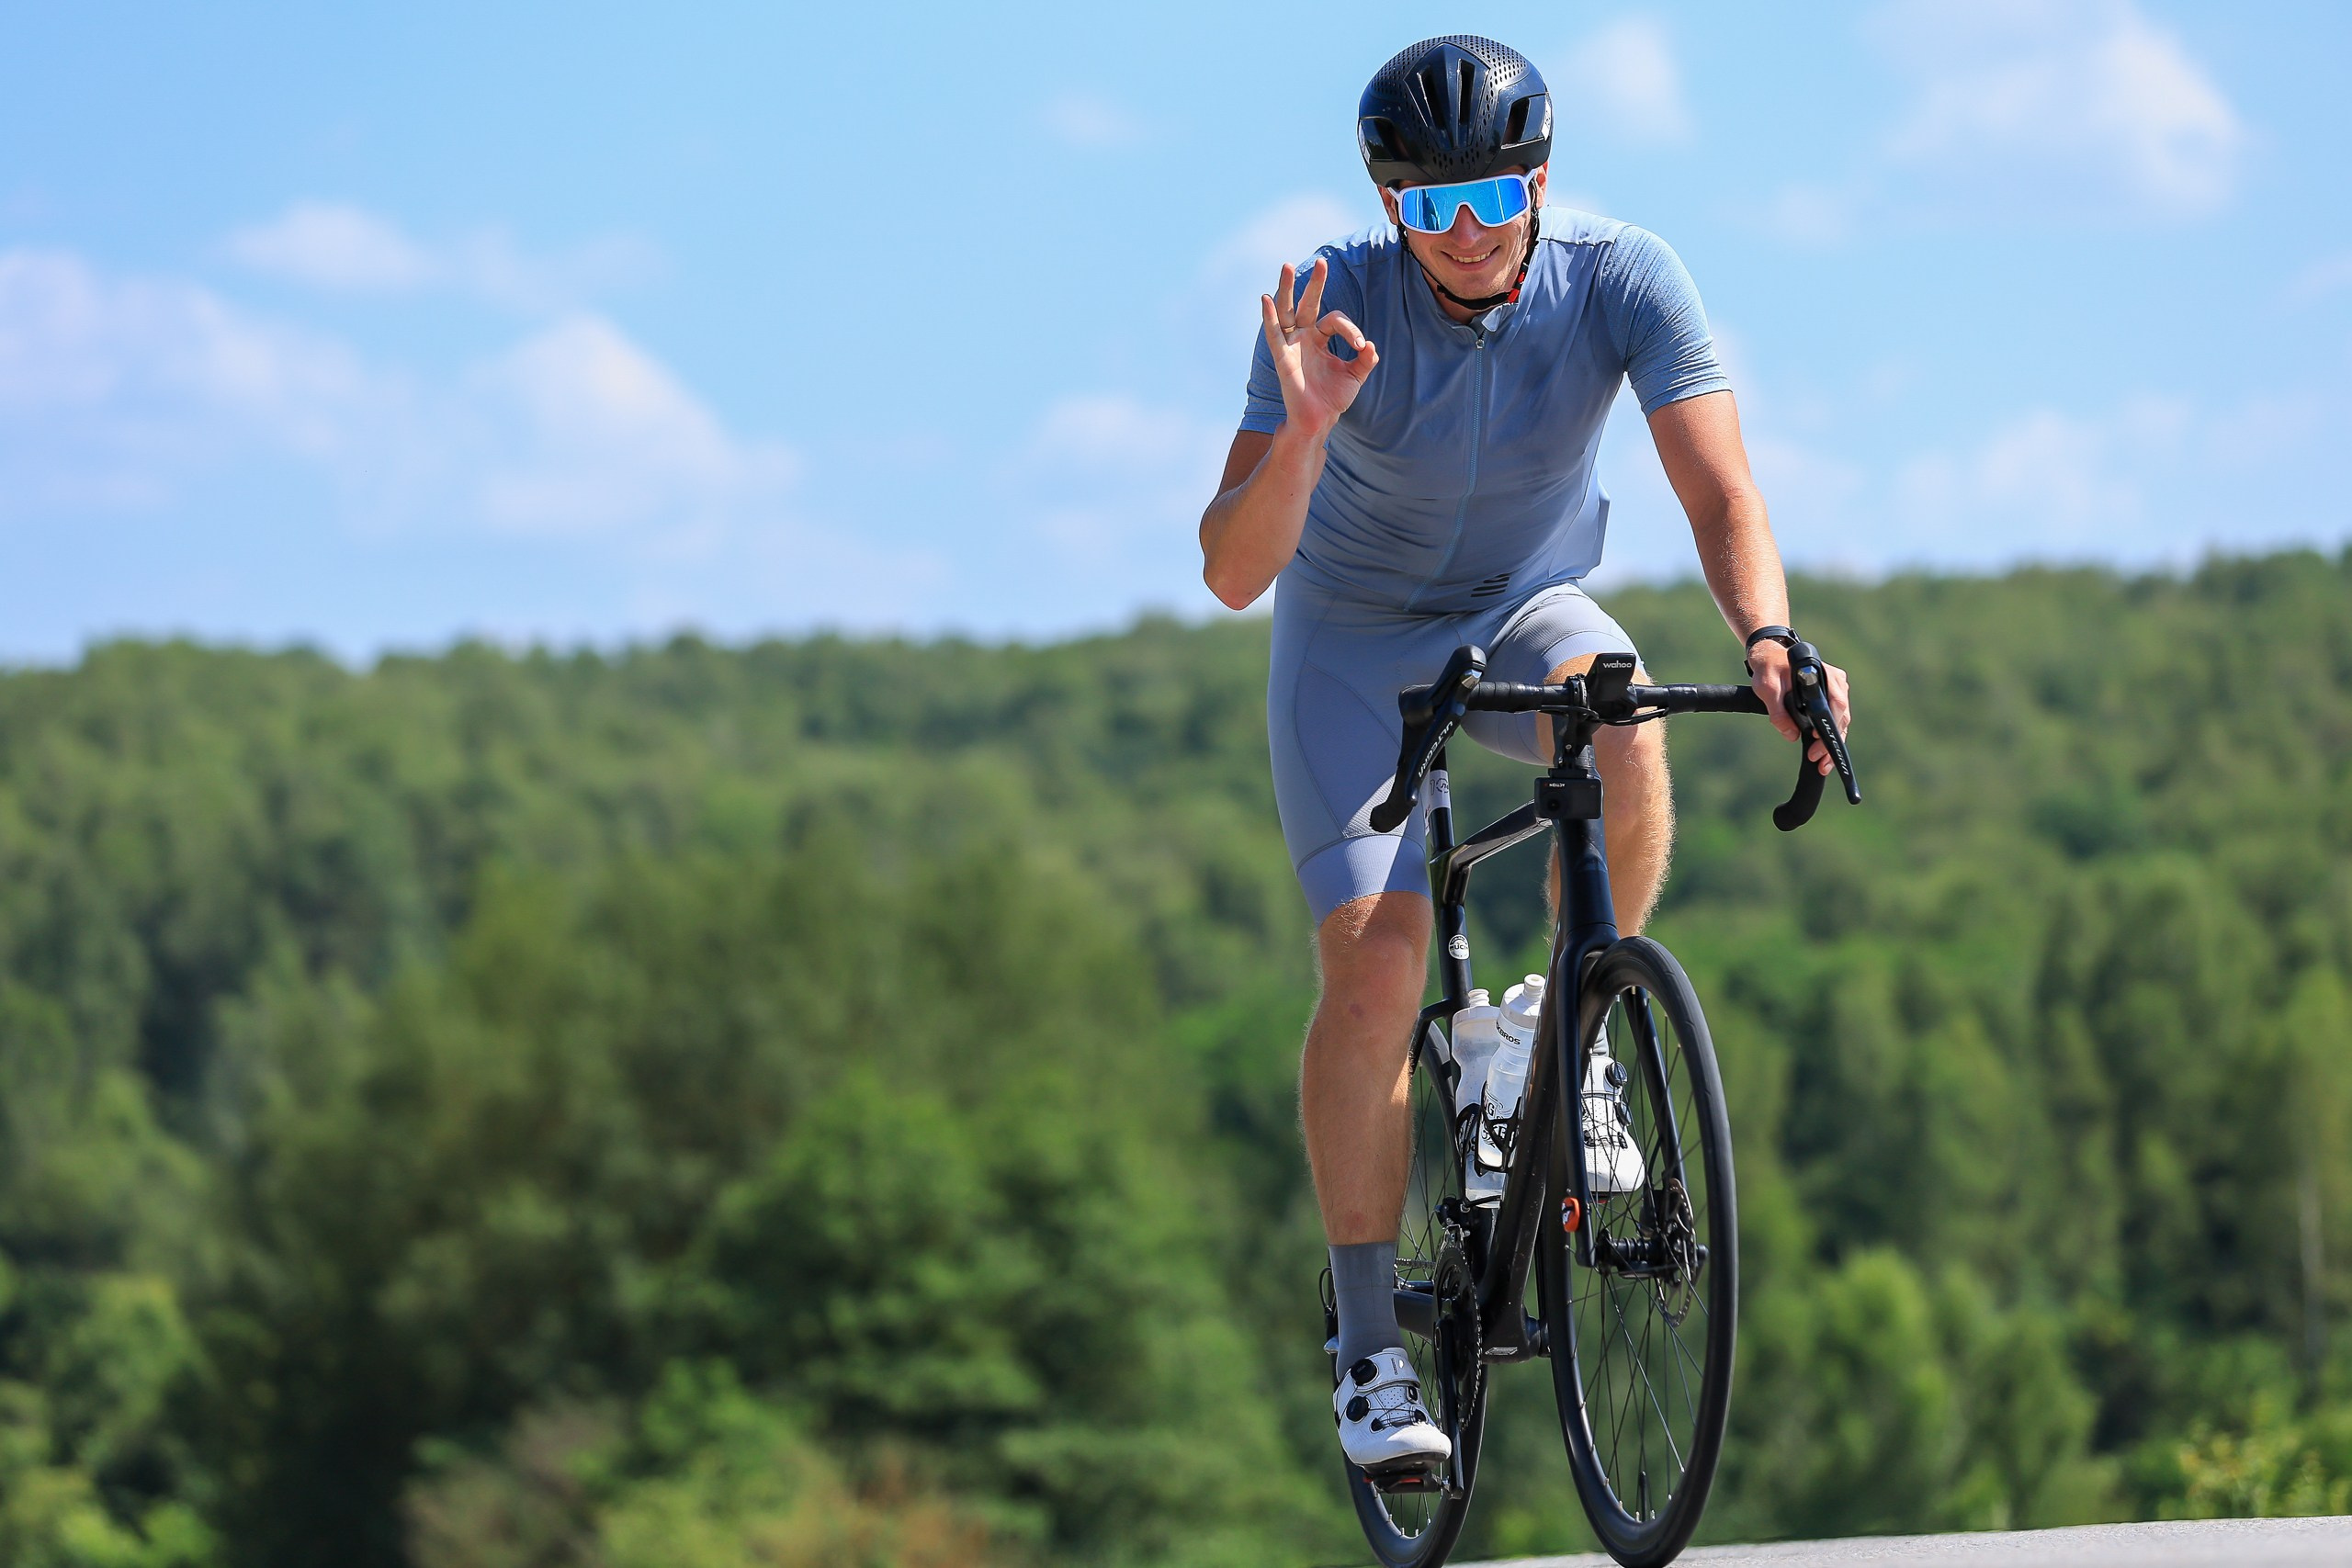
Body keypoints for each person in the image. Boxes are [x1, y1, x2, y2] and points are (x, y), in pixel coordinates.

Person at [1196, 34, 1853, 1475]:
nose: (1469, 233)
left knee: (1619, 708)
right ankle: (1368, 1350)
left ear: (1541, 181)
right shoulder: (1330, 306)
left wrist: (1768, 637)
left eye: (1493, 196)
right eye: (1431, 207)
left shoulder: (1624, 277)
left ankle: (1571, 1030)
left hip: (1521, 604)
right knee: (1377, 962)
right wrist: (1303, 431)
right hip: (1354, 644)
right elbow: (1234, 571)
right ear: (1390, 208)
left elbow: (1720, 489)